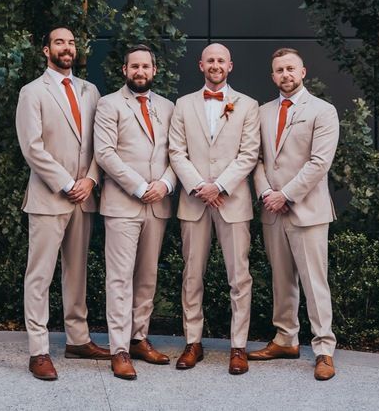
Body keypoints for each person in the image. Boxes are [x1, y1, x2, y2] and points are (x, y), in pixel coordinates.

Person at [16, 26, 110, 381]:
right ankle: (38, 350)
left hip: (84, 197)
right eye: (59, 42)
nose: (66, 47)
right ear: (46, 50)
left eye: (71, 42)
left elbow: (102, 143)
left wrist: (90, 179)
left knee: (77, 272)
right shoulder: (32, 92)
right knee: (39, 275)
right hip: (49, 197)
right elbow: (32, 147)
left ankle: (78, 339)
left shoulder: (91, 91)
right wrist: (68, 182)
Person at [169, 43, 260, 375]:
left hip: (232, 202)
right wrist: (199, 187)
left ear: (230, 66)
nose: (216, 65)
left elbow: (249, 154)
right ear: (201, 65)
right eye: (210, 60)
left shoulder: (248, 106)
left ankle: (239, 346)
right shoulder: (183, 104)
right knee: (192, 276)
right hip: (193, 202)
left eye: (221, 60)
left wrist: (219, 186)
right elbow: (176, 152)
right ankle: (193, 342)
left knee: (239, 277)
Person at [249, 47, 339, 381]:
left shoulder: (323, 111)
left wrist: (286, 195)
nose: (285, 75)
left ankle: (324, 349)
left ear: (303, 72)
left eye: (291, 68)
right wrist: (266, 194)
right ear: (273, 76)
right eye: (279, 70)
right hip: (272, 210)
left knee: (315, 283)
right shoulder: (262, 112)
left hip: (308, 210)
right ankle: (285, 338)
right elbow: (255, 159)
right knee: (281, 279)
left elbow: (319, 162)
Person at [94, 45, 176, 380]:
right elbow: (105, 153)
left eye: (145, 66)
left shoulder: (169, 108)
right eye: (134, 66)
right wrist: (141, 186)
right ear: (124, 70)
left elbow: (178, 153)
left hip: (158, 204)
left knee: (147, 277)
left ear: (154, 70)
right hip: (123, 203)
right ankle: (119, 349)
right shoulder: (109, 104)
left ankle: (139, 337)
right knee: (119, 277)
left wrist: (166, 185)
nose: (139, 71)